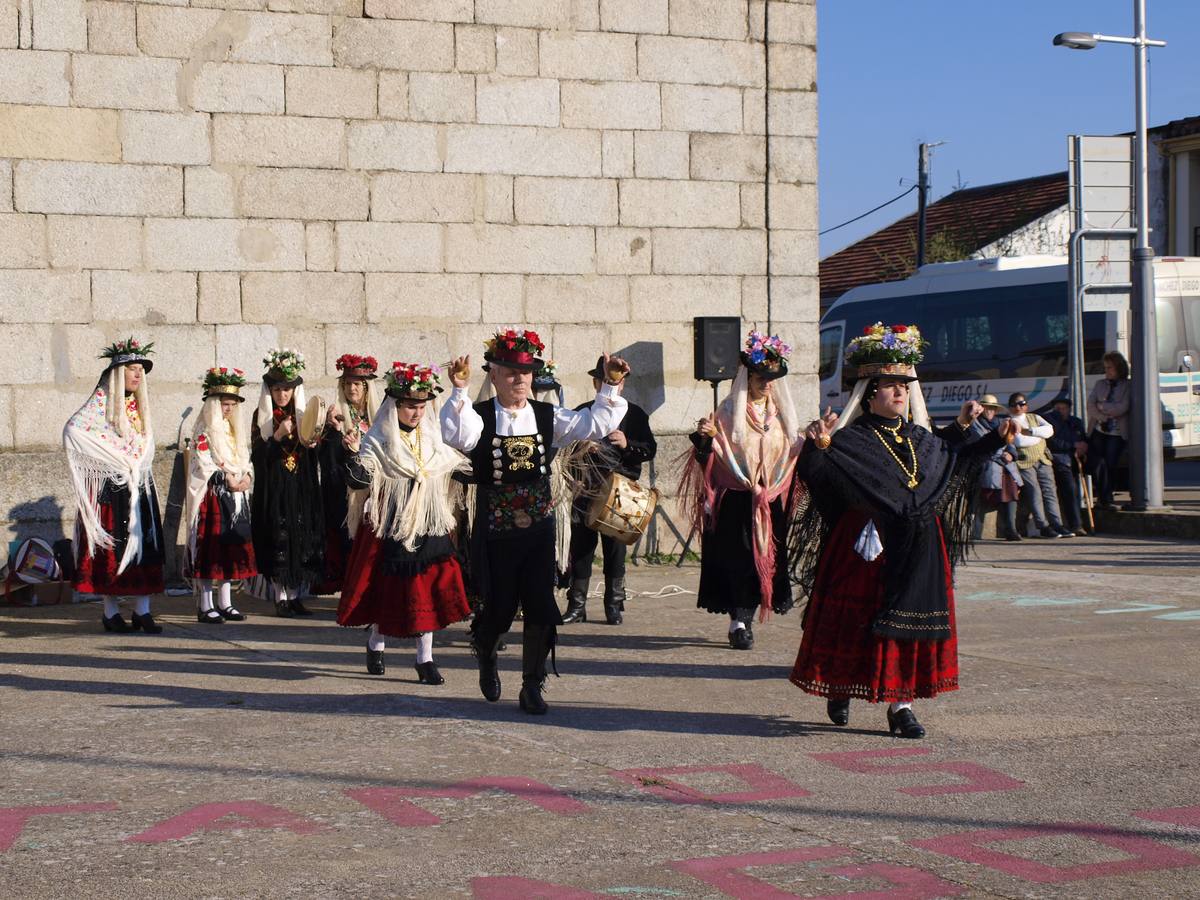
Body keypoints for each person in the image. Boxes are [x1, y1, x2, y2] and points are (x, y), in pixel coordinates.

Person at [789, 322, 1018, 738]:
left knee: (910, 625)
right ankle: (841, 685)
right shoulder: (849, 440)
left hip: (920, 544)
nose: (900, 393)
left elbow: (951, 460)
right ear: (870, 393)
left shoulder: (921, 437)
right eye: (891, 386)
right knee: (858, 620)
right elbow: (817, 479)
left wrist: (993, 440)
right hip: (867, 546)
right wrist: (817, 446)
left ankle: (902, 706)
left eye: (904, 386)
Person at [441, 328, 630, 715]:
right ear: (493, 374)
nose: (519, 380)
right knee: (500, 607)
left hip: (541, 526)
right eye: (510, 372)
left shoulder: (549, 416)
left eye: (525, 373)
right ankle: (486, 647)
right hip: (496, 527)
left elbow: (593, 424)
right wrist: (459, 391)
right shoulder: (478, 417)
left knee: (542, 605)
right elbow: (456, 436)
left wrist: (610, 386)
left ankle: (531, 685)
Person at [337, 362, 471, 684]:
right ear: (395, 405)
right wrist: (354, 456)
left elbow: (451, 462)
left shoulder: (432, 438)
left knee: (425, 590)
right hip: (392, 525)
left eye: (421, 406)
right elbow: (360, 477)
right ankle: (376, 643)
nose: (417, 413)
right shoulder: (378, 440)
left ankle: (425, 659)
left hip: (428, 522)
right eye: (411, 406)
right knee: (390, 592)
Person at [680, 331, 802, 650]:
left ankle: (747, 618)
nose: (768, 384)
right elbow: (710, 455)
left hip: (769, 500)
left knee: (765, 558)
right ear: (750, 377)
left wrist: (819, 443)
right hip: (736, 499)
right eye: (762, 377)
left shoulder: (779, 418)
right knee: (738, 560)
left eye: (772, 379)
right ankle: (738, 622)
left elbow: (792, 452)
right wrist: (705, 438)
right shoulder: (728, 412)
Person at [63, 337, 165, 634]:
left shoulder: (138, 408)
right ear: (117, 374)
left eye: (139, 371)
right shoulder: (100, 406)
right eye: (132, 369)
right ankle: (110, 613)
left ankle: (143, 611)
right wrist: (115, 461)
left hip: (138, 487)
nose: (136, 375)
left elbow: (146, 443)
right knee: (113, 550)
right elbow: (74, 430)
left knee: (144, 547)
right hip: (112, 488)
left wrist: (136, 461)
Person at [562, 357, 657, 625]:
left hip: (620, 494)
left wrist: (627, 444)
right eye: (602, 379)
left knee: (615, 551)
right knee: (581, 550)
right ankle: (576, 605)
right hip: (586, 490)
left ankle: (613, 604)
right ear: (596, 383)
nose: (608, 383)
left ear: (622, 384)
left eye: (614, 380)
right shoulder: (582, 411)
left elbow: (649, 450)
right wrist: (580, 451)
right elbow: (563, 452)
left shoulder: (635, 414)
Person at [250, 348, 325, 617]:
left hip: (301, 486)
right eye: (277, 389)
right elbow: (258, 457)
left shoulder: (304, 416)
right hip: (274, 489)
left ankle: (295, 596)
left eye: (287, 390)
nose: (283, 395)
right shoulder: (261, 418)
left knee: (301, 538)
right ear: (270, 391)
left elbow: (314, 452)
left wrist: (314, 442)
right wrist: (278, 436)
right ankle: (280, 597)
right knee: (278, 538)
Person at [186, 367, 255, 623]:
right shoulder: (204, 430)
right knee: (210, 551)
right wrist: (225, 477)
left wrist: (247, 475)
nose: (228, 409)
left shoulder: (234, 430)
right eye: (225, 404)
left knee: (230, 550)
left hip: (235, 496)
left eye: (233, 404)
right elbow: (201, 462)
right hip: (214, 495)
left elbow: (244, 457)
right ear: (214, 404)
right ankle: (205, 604)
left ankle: (226, 602)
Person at [317, 353, 381, 594]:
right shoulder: (336, 417)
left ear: (366, 388)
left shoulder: (377, 417)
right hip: (342, 491)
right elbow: (324, 458)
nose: (352, 389)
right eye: (347, 384)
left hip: (371, 490)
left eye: (357, 384)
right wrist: (332, 433)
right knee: (346, 541)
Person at [1007, 392, 1073, 538]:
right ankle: (1043, 525)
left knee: (1050, 491)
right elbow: (1020, 442)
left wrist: (1029, 431)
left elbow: (1049, 430)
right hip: (1024, 461)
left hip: (1043, 459)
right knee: (1034, 492)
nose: (1018, 407)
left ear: (1026, 406)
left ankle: (1057, 524)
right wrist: (1038, 435)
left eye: (1021, 404)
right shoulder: (1009, 421)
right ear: (1010, 407)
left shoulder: (1035, 417)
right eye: (1014, 404)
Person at [971, 394, 1022, 542]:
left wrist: (1011, 454)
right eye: (987, 408)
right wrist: (1000, 455)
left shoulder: (1001, 422)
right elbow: (982, 444)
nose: (990, 411)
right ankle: (976, 533)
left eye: (993, 408)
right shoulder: (975, 424)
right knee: (982, 497)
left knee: (1011, 491)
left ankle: (1011, 530)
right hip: (986, 464)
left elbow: (1010, 441)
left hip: (1006, 466)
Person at [1087, 351, 1131, 510]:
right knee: (1099, 463)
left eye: (1110, 368)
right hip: (1099, 429)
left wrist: (1102, 406)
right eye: (1105, 368)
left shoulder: (1127, 385)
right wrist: (1102, 416)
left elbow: (1123, 407)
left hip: (1116, 433)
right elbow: (1091, 405)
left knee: (1110, 464)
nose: (1107, 371)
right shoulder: (1100, 384)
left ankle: (1108, 497)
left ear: (1119, 368)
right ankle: (1102, 497)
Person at [1044, 397, 1089, 535]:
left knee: (1100, 464)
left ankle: (1105, 501)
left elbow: (1082, 438)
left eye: (1064, 408)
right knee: (1070, 487)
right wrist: (1072, 445)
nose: (1061, 411)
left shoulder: (1076, 422)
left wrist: (1083, 446)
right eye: (1058, 408)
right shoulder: (1049, 421)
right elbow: (1052, 442)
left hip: (1078, 458)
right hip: (1059, 459)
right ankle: (1076, 524)